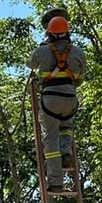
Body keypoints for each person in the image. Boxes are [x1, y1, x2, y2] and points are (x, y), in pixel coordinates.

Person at [27, 14, 86, 192]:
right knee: (66, 127)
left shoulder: (43, 50)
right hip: (70, 99)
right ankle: (66, 152)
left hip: (50, 100)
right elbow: (80, 79)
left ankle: (56, 182)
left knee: (50, 138)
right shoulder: (78, 52)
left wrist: (43, 48)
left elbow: (30, 64)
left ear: (50, 33)